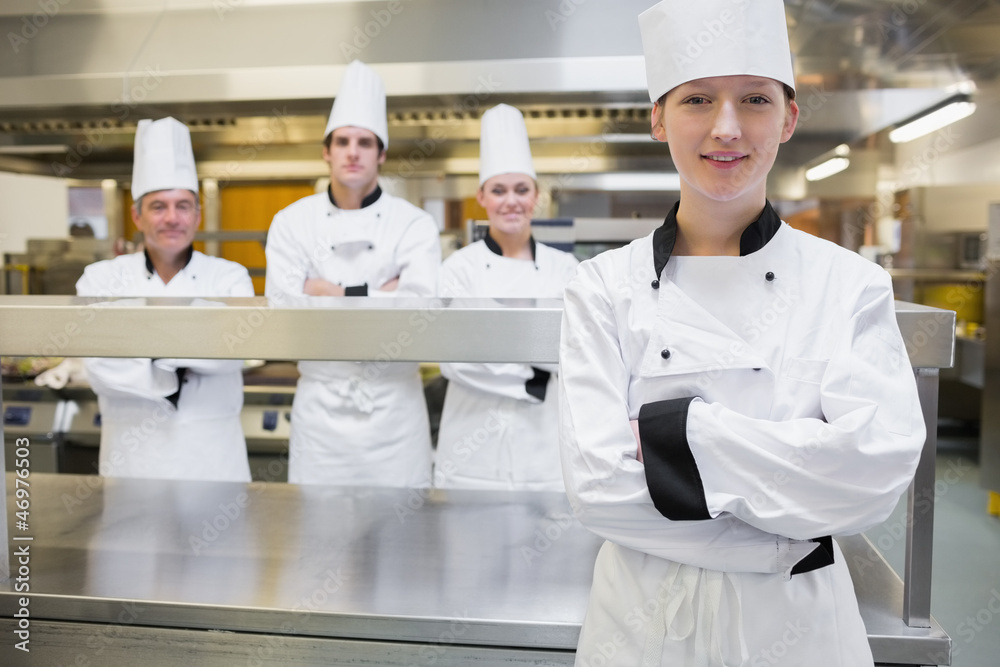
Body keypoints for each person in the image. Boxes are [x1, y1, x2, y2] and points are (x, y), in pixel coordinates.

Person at [558, 2, 926, 665]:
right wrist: (786, 528)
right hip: (643, 626)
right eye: (698, 98)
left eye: (753, 98)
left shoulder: (850, 285)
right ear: (657, 116)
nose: (726, 128)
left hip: (798, 629)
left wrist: (681, 436)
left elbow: (874, 469)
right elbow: (599, 490)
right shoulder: (602, 289)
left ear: (787, 117)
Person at [265, 60, 440, 487]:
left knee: (404, 544)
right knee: (319, 543)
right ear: (326, 150)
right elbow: (283, 310)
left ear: (381, 153)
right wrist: (382, 294)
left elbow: (421, 311)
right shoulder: (291, 222)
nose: (352, 151)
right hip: (321, 413)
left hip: (395, 411)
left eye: (365, 142)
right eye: (342, 141)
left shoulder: (413, 223)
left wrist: (327, 291)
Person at [77, 117, 254, 482]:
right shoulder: (102, 278)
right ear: (136, 216)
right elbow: (99, 367)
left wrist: (143, 349)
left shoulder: (230, 276)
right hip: (133, 458)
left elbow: (236, 351)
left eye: (183, 205)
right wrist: (195, 344)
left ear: (198, 215)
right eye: (159, 206)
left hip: (213, 458)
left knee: (223, 540)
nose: (172, 218)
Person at [434, 104, 578, 491]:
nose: (510, 201)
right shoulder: (457, 270)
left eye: (521, 189)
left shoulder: (564, 269)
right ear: (481, 196)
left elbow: (574, 352)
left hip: (544, 451)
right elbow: (456, 361)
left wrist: (498, 351)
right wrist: (533, 375)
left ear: (536, 196)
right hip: (470, 450)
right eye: (498, 190)